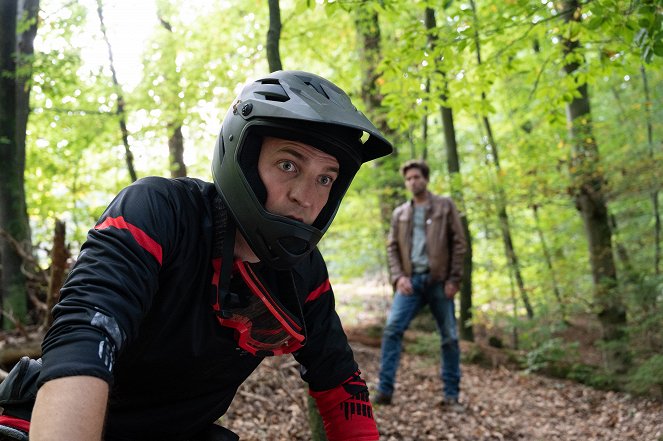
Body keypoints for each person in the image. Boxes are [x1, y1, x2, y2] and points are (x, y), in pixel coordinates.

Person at [0, 70, 393, 441]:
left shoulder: (304, 274)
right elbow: (86, 333)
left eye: (325, 178)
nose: (306, 198)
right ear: (243, 156)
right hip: (43, 421)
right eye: (288, 164)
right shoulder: (159, 211)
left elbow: (341, 384)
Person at [373, 159, 466, 411]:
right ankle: (384, 391)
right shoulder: (400, 213)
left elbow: (459, 244)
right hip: (410, 283)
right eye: (409, 178)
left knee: (449, 337)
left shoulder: (445, 206)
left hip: (439, 282)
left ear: (426, 179)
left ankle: (451, 396)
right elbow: (392, 247)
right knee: (392, 329)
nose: (413, 181)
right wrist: (398, 277)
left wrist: (454, 279)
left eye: (417, 177)